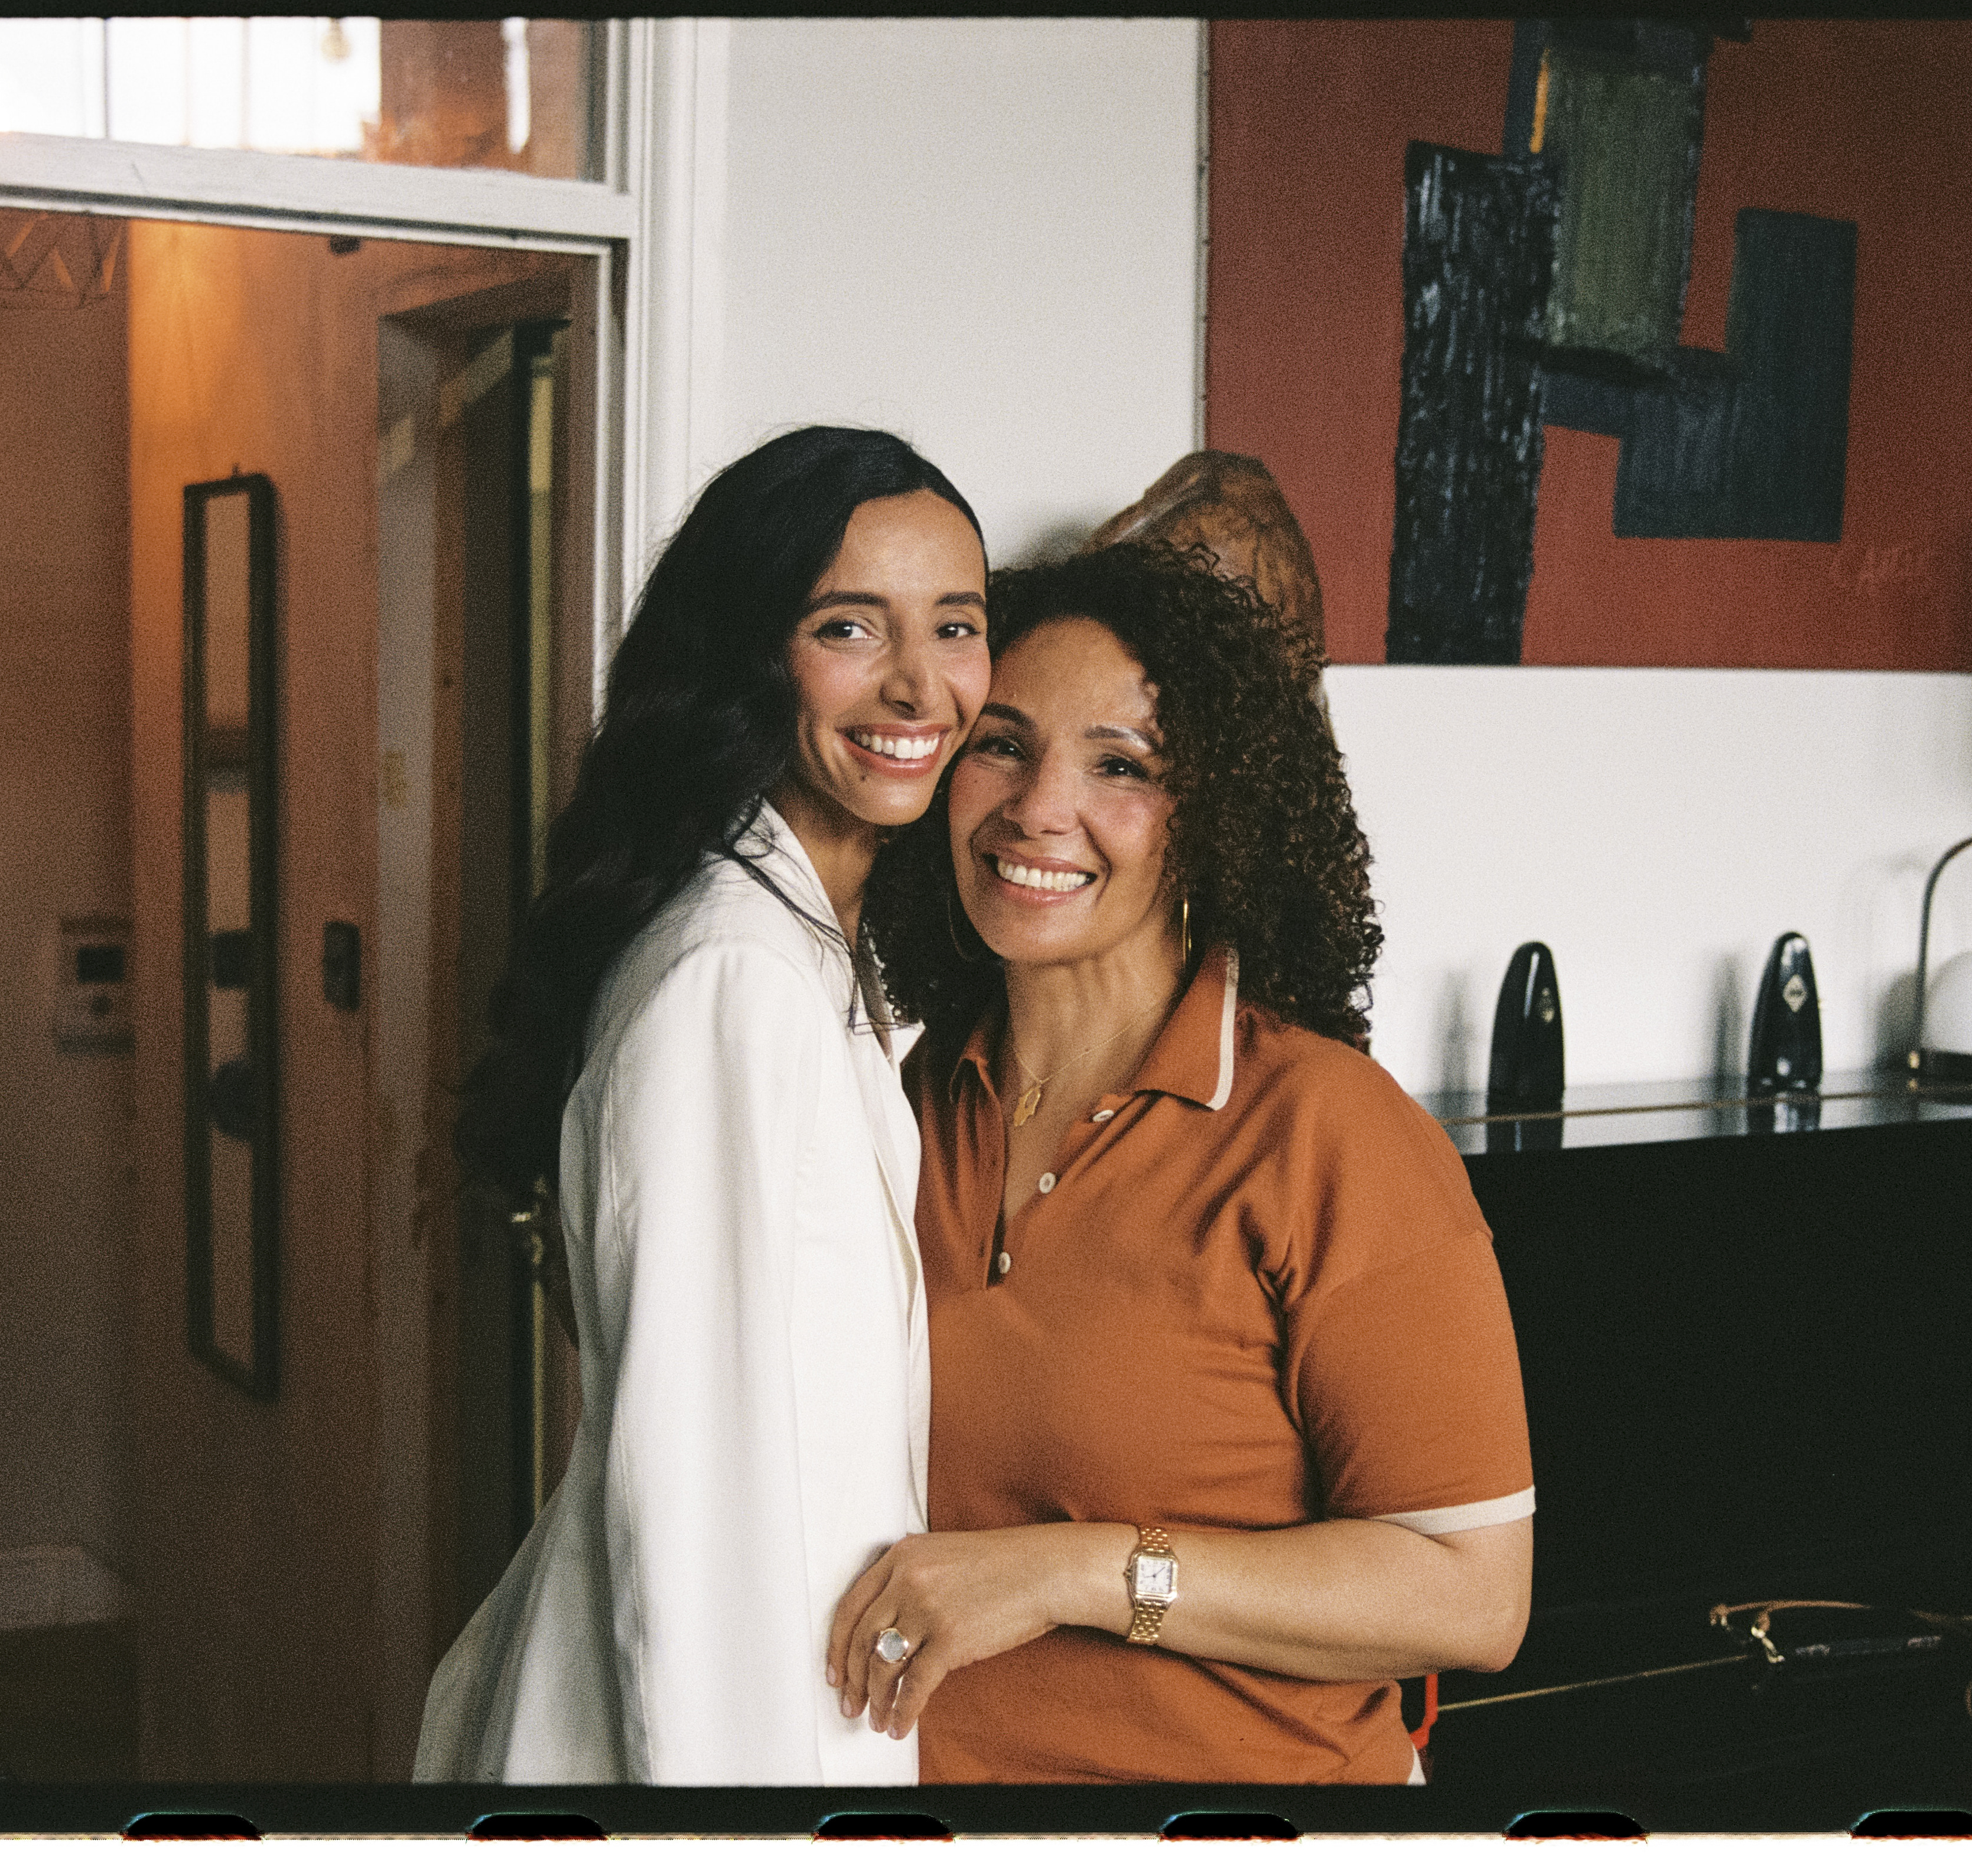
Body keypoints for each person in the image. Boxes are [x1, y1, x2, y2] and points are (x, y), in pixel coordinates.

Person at [839, 542, 1535, 1783]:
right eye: (1001, 743)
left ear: (1215, 817)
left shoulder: (1330, 1133)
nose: (1038, 808)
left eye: (1121, 766)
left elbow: (1471, 1599)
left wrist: (1076, 1571)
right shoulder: (909, 1098)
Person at [412, 426, 989, 1785]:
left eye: (956, 626)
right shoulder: (732, 976)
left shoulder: (813, 950)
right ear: (750, 652)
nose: (921, 683)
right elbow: (692, 1503)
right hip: (723, 1755)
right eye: (850, 625)